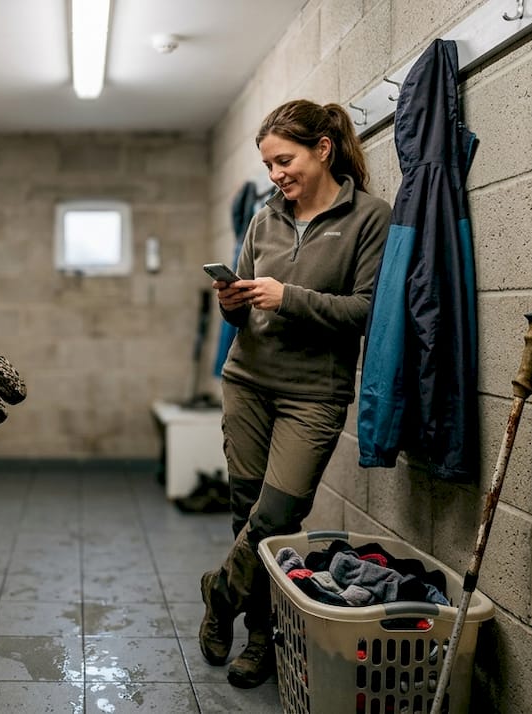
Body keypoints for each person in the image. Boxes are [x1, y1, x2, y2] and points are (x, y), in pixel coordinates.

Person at [199, 99, 390, 689]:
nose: (277, 174)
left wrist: (290, 298)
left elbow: (366, 310)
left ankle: (221, 591)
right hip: (248, 381)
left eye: (285, 160)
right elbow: (247, 299)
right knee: (246, 511)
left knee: (279, 515)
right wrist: (231, 303)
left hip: (314, 394)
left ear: (323, 149)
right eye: (269, 165)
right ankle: (260, 639)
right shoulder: (264, 219)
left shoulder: (369, 220)